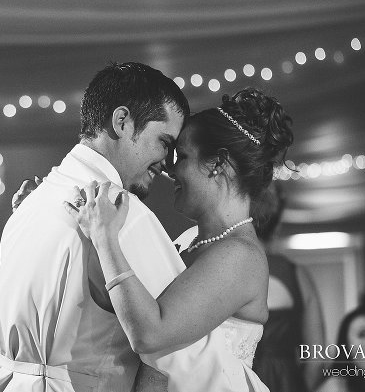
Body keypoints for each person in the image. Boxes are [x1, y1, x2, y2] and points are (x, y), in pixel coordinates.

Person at [0, 62, 264, 392]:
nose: (166, 164)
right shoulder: (118, 214)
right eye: (164, 142)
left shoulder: (33, 203)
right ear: (122, 122)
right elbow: (177, 354)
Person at [63, 86, 294, 391]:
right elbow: (122, 304)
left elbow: (150, 333)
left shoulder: (240, 255)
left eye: (182, 156)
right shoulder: (189, 240)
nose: (168, 169)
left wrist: (106, 239)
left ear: (218, 164)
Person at [251, 183, 326, 392]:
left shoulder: (226, 268)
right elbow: (317, 355)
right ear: (277, 224)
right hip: (287, 382)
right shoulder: (297, 275)